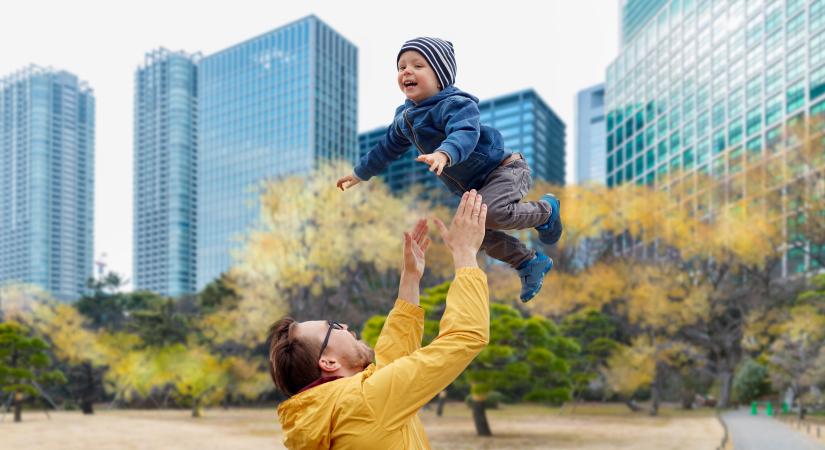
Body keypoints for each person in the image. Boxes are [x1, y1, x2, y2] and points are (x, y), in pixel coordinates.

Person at [336, 36, 562, 302]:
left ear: (441, 77)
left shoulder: (456, 103)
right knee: (468, 234)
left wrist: (445, 153)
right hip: (476, 188)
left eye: (418, 66)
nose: (407, 71)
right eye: (401, 67)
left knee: (492, 213)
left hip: (505, 170)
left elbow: (464, 132)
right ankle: (528, 262)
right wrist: (359, 173)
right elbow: (385, 149)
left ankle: (546, 211)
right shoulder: (403, 119)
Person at [268, 190, 490, 449]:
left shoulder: (327, 413)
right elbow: (465, 336)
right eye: (334, 327)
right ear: (328, 362)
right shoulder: (366, 402)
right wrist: (465, 253)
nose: (346, 327)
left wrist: (410, 279)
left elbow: (389, 365)